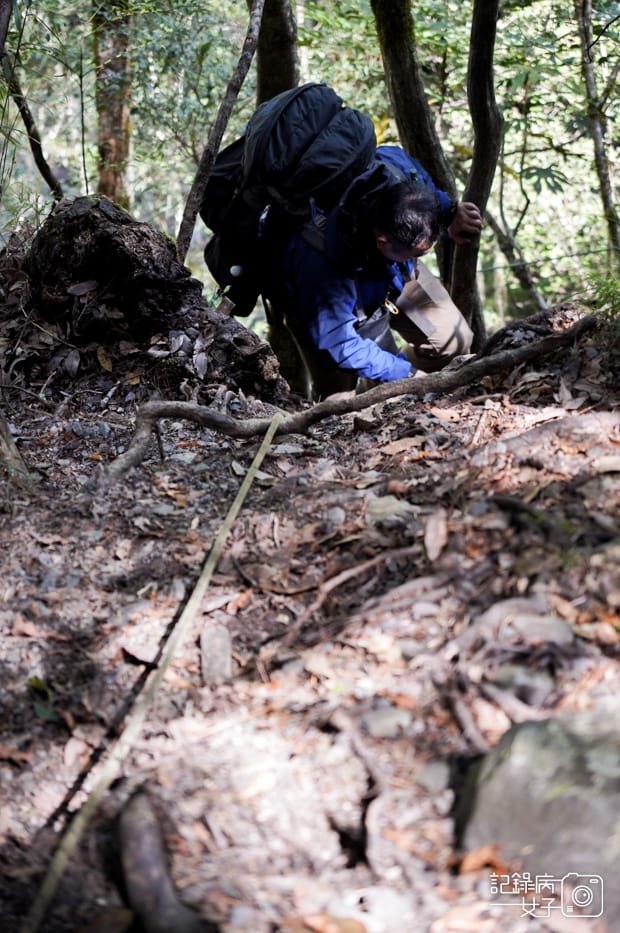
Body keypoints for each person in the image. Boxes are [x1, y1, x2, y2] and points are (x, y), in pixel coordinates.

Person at [262, 144, 483, 400]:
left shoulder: (393, 172)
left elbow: (421, 188)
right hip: (326, 308)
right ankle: (376, 389)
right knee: (339, 403)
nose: (424, 253)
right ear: (383, 241)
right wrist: (408, 375)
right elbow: (341, 343)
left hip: (392, 277)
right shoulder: (319, 264)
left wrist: (450, 212)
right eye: (417, 252)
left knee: (452, 340)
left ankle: (385, 381)